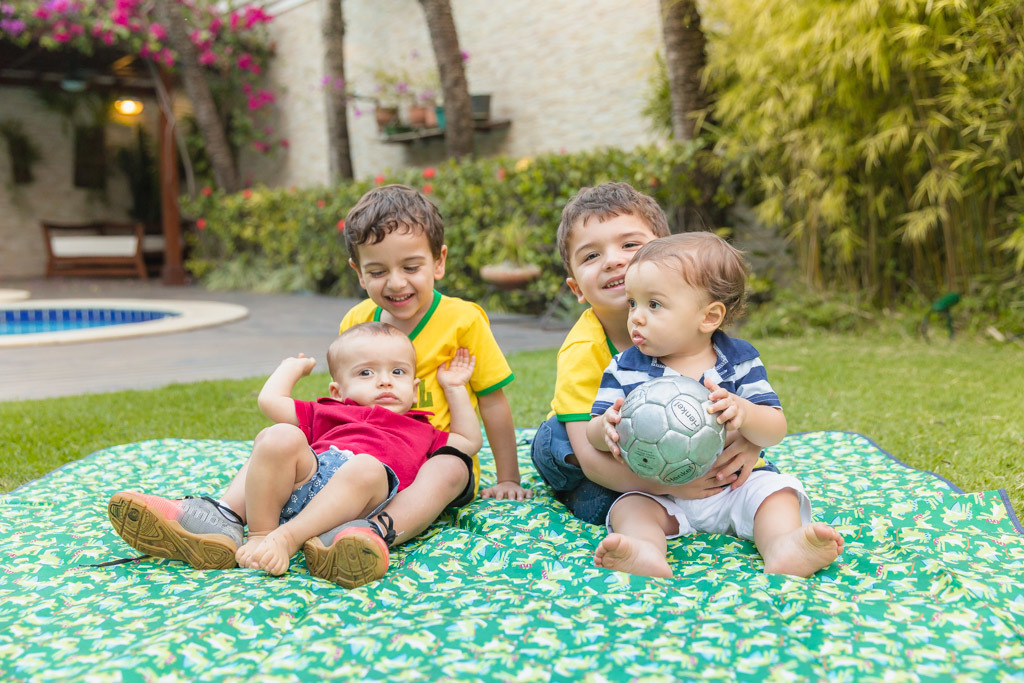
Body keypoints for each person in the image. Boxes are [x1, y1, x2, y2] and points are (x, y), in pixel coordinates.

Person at [108, 322, 482, 587]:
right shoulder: (332, 410)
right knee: (279, 436)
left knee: (366, 467)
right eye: (366, 372)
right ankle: (257, 534)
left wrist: (453, 388)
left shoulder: (423, 429)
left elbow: (467, 441)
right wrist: (290, 369)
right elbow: (271, 402)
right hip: (306, 483)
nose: (385, 380)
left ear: (415, 388)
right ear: (338, 390)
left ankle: (288, 540)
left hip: (359, 504)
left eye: (397, 372)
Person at [587, 232, 844, 578]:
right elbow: (594, 430)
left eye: (654, 304)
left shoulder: (738, 362)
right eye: (632, 303)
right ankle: (645, 551)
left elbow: (775, 428)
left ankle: (784, 546)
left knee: (776, 494)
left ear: (708, 317)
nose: (636, 317)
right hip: (663, 493)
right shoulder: (625, 367)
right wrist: (607, 428)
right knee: (629, 508)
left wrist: (746, 413)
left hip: (734, 485)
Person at [530, 182, 767, 525]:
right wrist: (667, 487)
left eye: (630, 244)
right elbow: (590, 454)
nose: (614, 261)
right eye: (591, 255)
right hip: (581, 445)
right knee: (604, 501)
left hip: (653, 442)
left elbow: (744, 405)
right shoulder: (584, 349)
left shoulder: (694, 329)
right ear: (576, 288)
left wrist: (749, 443)